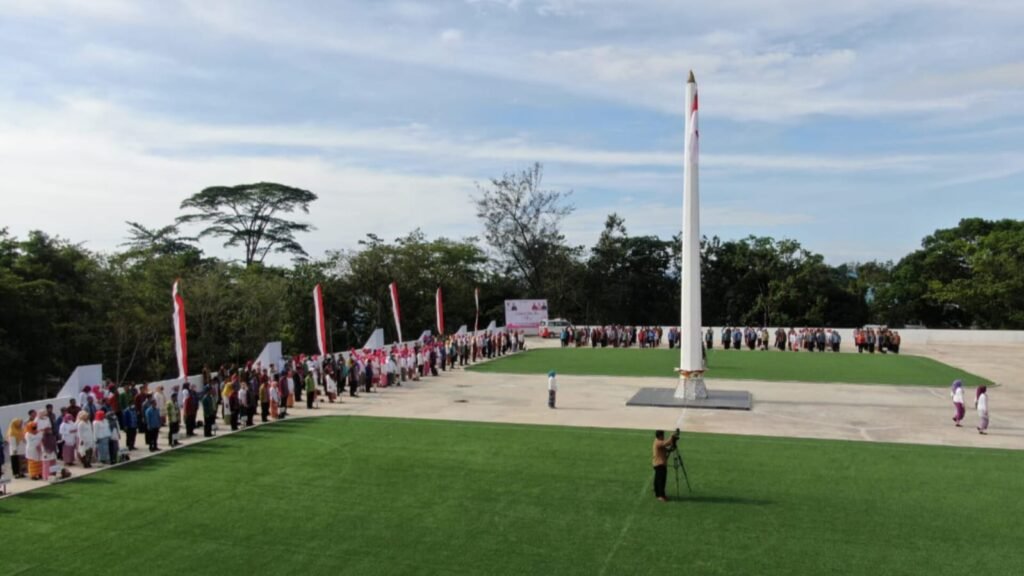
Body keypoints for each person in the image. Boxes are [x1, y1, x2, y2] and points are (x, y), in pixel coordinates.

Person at [652, 430, 678, 502]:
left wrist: (673, 444)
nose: (664, 436)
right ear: (660, 436)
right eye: (663, 435)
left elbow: (667, 449)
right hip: (660, 464)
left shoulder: (657, 441)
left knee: (657, 479)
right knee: (661, 480)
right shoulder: (658, 442)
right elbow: (666, 443)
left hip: (657, 463)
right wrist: (672, 436)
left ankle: (657, 492)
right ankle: (660, 495)